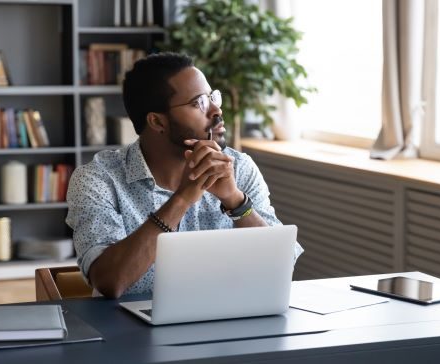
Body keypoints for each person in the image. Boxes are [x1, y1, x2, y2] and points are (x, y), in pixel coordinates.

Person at [66, 52, 303, 298]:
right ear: (157, 122)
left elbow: (284, 267)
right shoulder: (98, 179)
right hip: (130, 330)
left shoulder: (239, 168)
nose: (216, 111)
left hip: (228, 322)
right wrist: (182, 199)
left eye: (213, 97)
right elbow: (110, 282)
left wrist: (235, 201)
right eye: (198, 103)